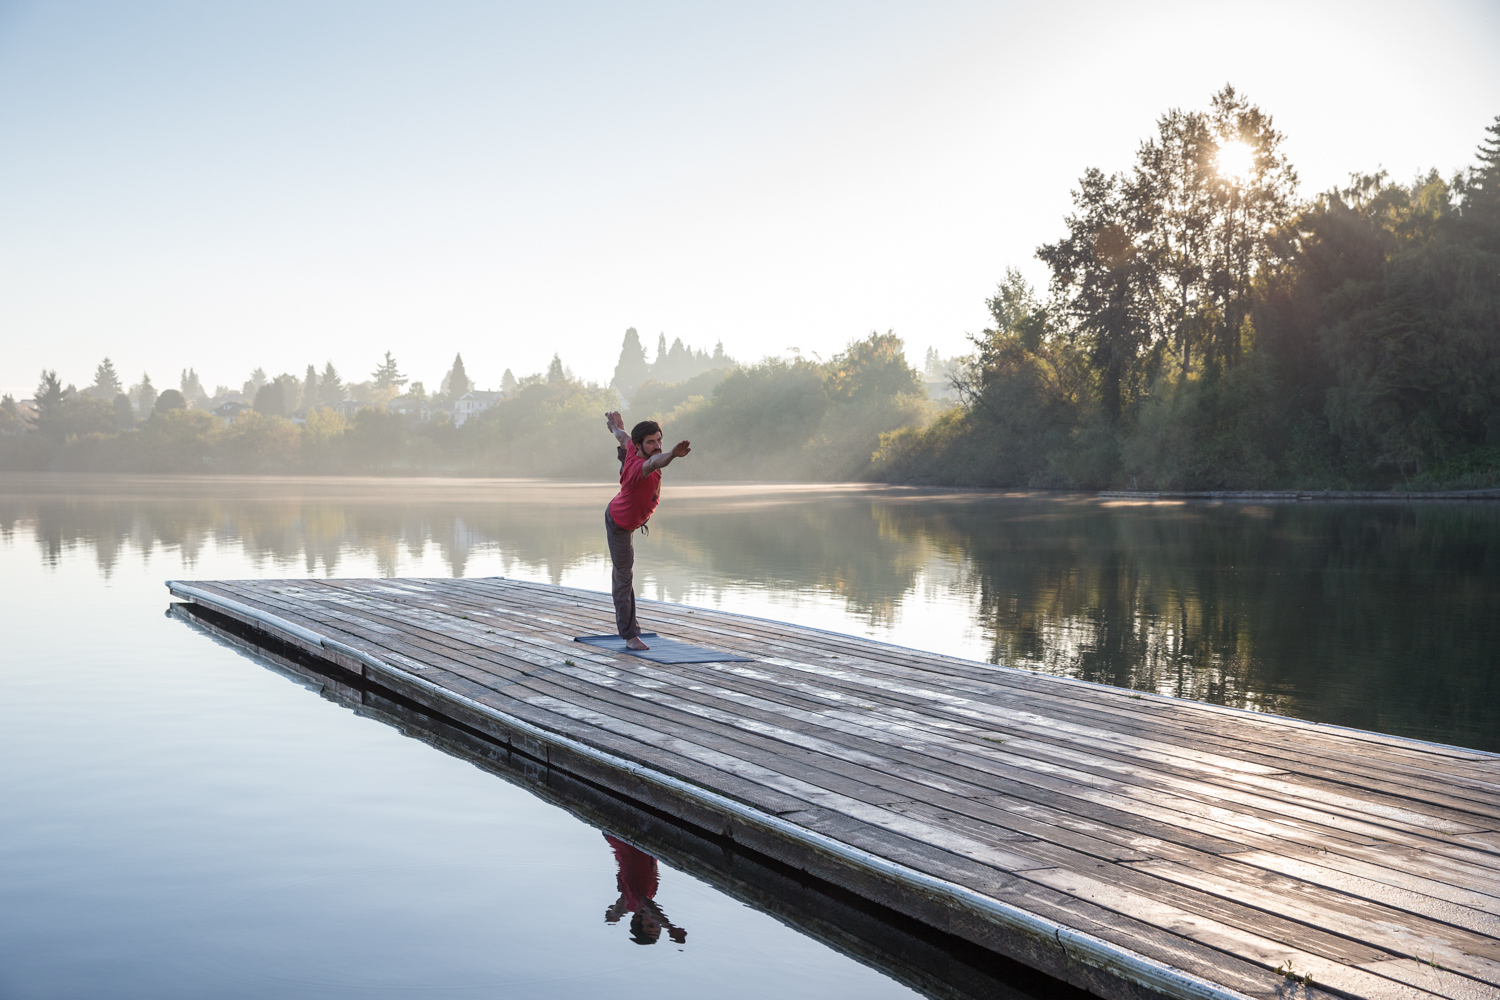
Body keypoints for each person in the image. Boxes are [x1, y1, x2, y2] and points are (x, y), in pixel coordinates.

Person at [604, 411, 690, 650]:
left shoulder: (632, 446)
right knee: (624, 576)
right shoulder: (641, 467)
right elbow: (654, 462)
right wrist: (671, 454)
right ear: (640, 444)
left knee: (625, 452)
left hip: (628, 508)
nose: (657, 445)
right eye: (651, 442)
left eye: (659, 440)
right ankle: (630, 635)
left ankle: (630, 632)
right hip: (619, 523)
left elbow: (622, 437)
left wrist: (615, 426)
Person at [603, 834, 687, 945]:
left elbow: (649, 908)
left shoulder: (635, 900)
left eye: (651, 925)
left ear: (637, 918)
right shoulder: (648, 895)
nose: (657, 923)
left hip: (625, 837)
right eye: (658, 927)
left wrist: (669, 927)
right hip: (642, 842)